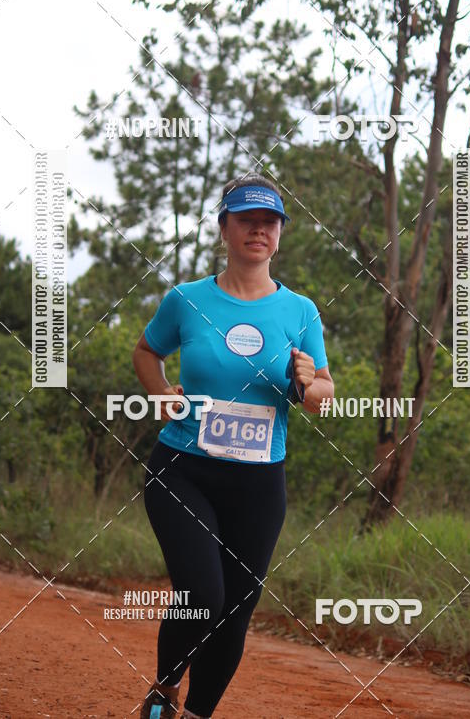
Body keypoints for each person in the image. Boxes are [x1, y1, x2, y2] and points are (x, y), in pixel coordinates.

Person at [133, 175, 334, 719]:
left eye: (269, 222)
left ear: (280, 235)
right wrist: (160, 395)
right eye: (246, 219)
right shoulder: (186, 300)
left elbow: (322, 396)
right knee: (203, 593)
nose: (258, 230)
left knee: (237, 610)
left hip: (259, 483)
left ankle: (198, 713)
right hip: (183, 471)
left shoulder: (301, 311)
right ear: (224, 227)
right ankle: (164, 690)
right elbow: (147, 352)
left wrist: (308, 379)